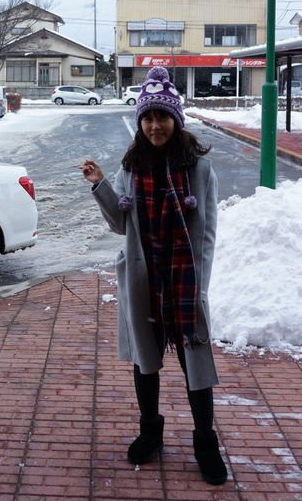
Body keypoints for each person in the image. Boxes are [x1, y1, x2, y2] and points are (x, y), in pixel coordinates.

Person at [79, 66, 227, 485]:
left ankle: (204, 442)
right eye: (148, 118)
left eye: (162, 117)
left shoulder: (198, 168)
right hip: (144, 280)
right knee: (146, 363)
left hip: (183, 280)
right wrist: (101, 185)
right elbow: (118, 226)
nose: (155, 125)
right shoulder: (132, 167)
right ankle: (150, 432)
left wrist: (201, 281)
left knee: (194, 360)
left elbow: (210, 231)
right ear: (140, 122)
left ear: (175, 121)